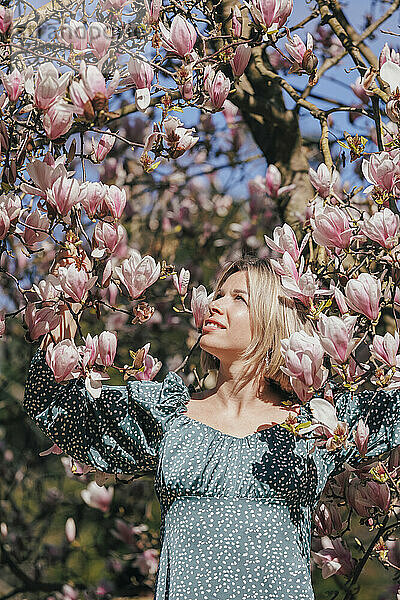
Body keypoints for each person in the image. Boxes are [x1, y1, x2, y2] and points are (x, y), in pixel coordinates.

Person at [23, 255, 400, 600]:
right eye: (218, 294)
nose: (214, 305)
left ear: (272, 319)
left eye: (239, 298)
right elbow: (62, 413)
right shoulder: (169, 418)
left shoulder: (317, 422)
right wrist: (58, 335)